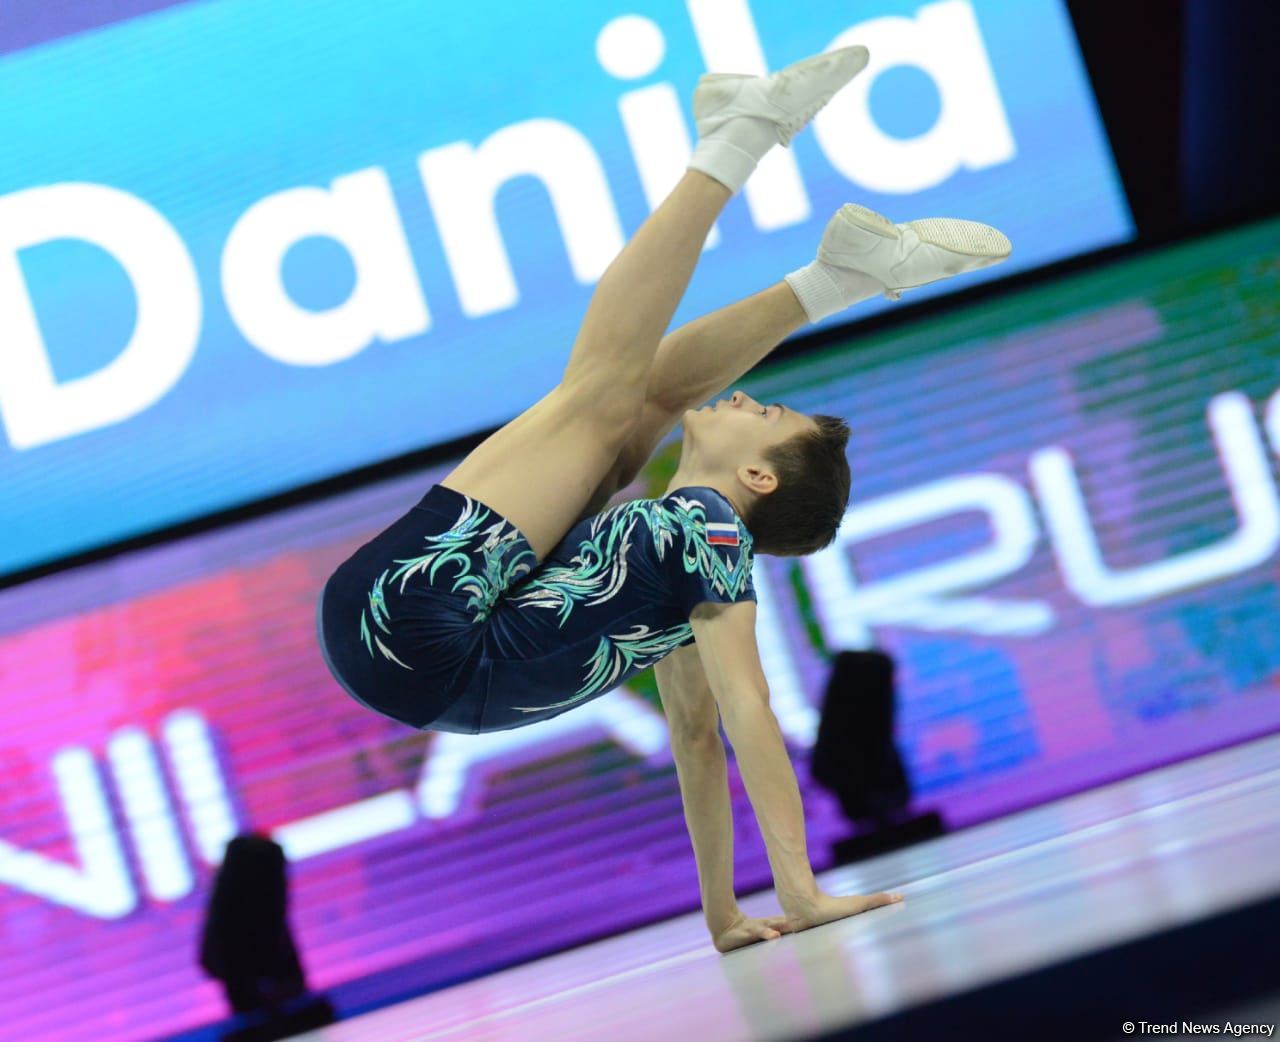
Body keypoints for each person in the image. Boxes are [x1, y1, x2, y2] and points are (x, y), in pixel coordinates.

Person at [317, 44, 1010, 952]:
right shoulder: (672, 561)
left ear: (757, 479)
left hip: (416, 632)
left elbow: (749, 715)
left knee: (601, 390)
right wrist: (721, 910)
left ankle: (738, 142)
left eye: (768, 415)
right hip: (435, 674)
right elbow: (694, 739)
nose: (752, 397)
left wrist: (798, 889)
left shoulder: (701, 530)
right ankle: (842, 273)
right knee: (636, 409)